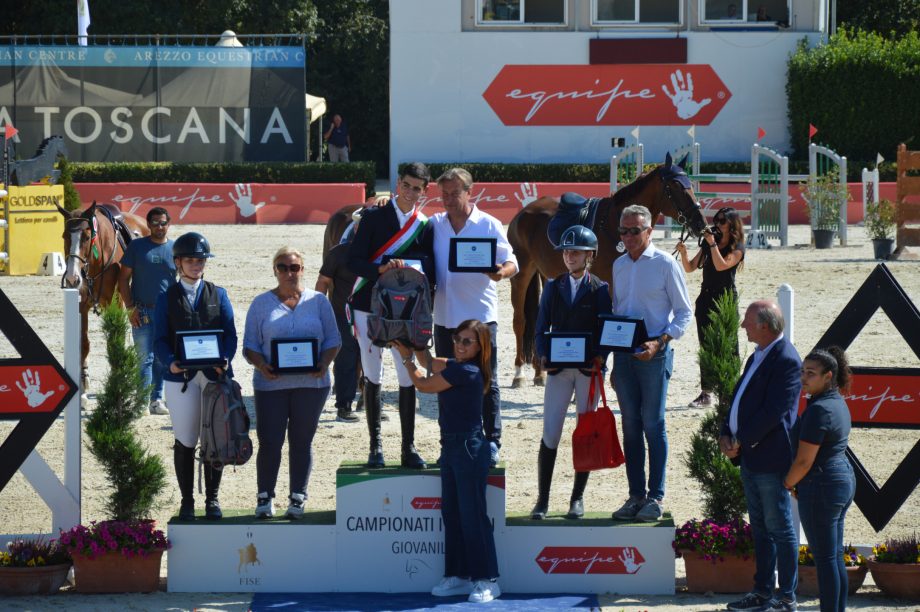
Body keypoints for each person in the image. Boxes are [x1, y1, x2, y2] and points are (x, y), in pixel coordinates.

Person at [393, 320, 501, 604]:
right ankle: (458, 574)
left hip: (468, 448)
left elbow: (423, 384)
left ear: (480, 347)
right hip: (451, 446)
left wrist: (405, 357)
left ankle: (487, 579)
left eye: (467, 341)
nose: (460, 344)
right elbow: (429, 360)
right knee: (451, 515)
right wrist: (413, 343)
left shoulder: (468, 369)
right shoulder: (457, 364)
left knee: (472, 516)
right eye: (457, 338)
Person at [346, 161, 436, 469]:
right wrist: (380, 269)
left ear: (425, 191)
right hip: (368, 303)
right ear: (398, 184)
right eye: (407, 186)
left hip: (407, 311)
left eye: (417, 189)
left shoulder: (424, 225)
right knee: (373, 373)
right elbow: (353, 261)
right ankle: (376, 446)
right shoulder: (373, 217)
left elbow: (431, 270)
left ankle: (408, 447)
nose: (411, 193)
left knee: (406, 374)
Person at [244, 247, 341, 520]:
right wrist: (261, 365)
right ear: (275, 270)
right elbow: (250, 345)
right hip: (270, 385)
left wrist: (324, 363)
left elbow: (334, 340)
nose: (289, 272)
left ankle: (298, 497)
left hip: (312, 385)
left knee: (302, 441)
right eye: (283, 267)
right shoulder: (260, 304)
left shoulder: (319, 302)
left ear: (303, 269)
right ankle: (265, 497)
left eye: (294, 267)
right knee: (270, 441)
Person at [610, 204, 692, 522]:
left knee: (653, 425)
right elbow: (617, 312)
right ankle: (635, 495)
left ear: (649, 231)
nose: (628, 236)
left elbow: (684, 312)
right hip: (624, 355)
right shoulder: (618, 265)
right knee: (630, 426)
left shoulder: (665, 264)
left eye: (635, 230)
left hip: (654, 353)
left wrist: (660, 342)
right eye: (623, 230)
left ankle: (655, 497)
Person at [431, 167, 518, 467]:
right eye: (444, 194)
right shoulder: (434, 225)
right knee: (445, 382)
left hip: (480, 319)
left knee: (486, 382)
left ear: (470, 192)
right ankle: (449, 442)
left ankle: (491, 441)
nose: (448, 199)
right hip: (444, 318)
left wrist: (499, 273)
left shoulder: (490, 224)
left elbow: (512, 263)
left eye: (455, 193)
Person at [720, 300, 801, 612]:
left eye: (748, 321)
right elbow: (739, 398)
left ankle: (786, 596)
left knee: (779, 528)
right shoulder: (760, 354)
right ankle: (763, 592)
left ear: (765, 326)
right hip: (751, 457)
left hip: (770, 458)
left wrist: (739, 439)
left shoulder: (786, 360)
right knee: (762, 529)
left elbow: (774, 413)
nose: (743, 326)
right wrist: (725, 432)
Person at [154, 232, 237, 521]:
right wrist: (170, 362)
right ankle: (187, 500)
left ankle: (212, 499)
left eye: (200, 260)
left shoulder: (219, 293)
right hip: (181, 379)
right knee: (186, 439)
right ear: (178, 262)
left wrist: (226, 358)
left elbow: (230, 334)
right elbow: (159, 339)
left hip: (214, 377)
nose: (196, 264)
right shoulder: (166, 298)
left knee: (214, 438)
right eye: (190, 260)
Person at [531, 225, 612, 520]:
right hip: (559, 370)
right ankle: (542, 499)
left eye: (575, 251)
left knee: (585, 433)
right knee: (550, 432)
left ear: (589, 255)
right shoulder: (553, 286)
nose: (569, 256)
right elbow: (541, 328)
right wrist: (543, 356)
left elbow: (605, 331)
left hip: (587, 371)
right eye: (566, 251)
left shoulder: (599, 289)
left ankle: (577, 498)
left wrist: (601, 358)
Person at [784, 347, 855, 612]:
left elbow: (804, 460)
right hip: (841, 480)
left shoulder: (819, 410)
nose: (804, 378)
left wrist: (787, 483)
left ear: (828, 376)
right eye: (803, 372)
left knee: (826, 559)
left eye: (811, 374)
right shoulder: (836, 401)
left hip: (822, 483)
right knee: (833, 556)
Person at [676, 207, 745, 408]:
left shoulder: (737, 246)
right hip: (706, 299)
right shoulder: (710, 242)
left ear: (732, 223)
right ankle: (706, 393)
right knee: (706, 346)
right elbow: (690, 268)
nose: (717, 224)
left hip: (725, 300)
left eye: (722, 221)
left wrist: (712, 244)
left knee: (729, 346)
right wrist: (684, 253)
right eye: (716, 220)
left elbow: (722, 265)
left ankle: (730, 391)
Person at [117, 206, 176, 415]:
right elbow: (123, 279)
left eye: (163, 223)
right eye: (155, 223)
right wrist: (130, 308)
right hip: (140, 311)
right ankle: (142, 401)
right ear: (148, 225)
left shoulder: (176, 249)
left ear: (169, 224)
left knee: (161, 358)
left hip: (167, 313)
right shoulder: (137, 247)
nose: (159, 227)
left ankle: (156, 399)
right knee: (144, 357)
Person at [316, 208, 365, 423]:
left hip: (369, 312)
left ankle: (371, 400)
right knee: (346, 355)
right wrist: (318, 310)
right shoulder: (338, 253)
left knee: (373, 356)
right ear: (355, 227)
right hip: (341, 312)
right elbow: (323, 282)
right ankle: (344, 405)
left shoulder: (379, 254)